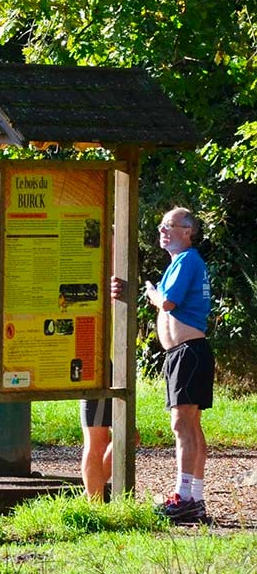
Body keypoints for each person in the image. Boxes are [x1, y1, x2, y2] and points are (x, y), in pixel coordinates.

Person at [113, 207, 213, 524]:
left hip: (189, 352)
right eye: (160, 226)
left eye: (169, 226)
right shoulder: (179, 263)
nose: (162, 231)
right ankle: (194, 499)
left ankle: (184, 497)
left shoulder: (188, 260)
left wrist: (152, 293)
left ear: (188, 231)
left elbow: (168, 301)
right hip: (184, 353)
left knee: (181, 425)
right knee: (191, 425)